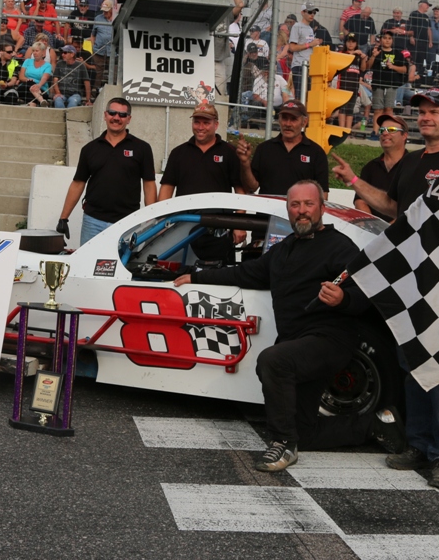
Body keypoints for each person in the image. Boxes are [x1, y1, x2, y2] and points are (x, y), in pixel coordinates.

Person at [172, 180, 405, 472]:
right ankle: (377, 425)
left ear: (321, 208)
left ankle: (282, 444)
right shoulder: (283, 250)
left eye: (308, 204)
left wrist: (343, 298)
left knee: (273, 360)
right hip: (298, 344)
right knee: (304, 432)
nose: (302, 211)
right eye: (295, 205)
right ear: (288, 210)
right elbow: (245, 273)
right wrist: (197, 277)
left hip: (331, 341)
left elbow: (367, 293)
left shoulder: (340, 247)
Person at [342, 86, 439, 490]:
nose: (426, 116)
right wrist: (355, 180)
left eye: (435, 110)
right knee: (412, 364)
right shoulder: (409, 164)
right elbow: (392, 208)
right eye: (422, 111)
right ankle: (420, 445)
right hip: (409, 277)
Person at [57, 98, 157, 245]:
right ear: (105, 115)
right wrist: (64, 218)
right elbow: (78, 183)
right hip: (93, 222)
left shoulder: (142, 148)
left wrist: (151, 218)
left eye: (122, 115)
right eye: (112, 113)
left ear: (129, 119)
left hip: (128, 222)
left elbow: (149, 185)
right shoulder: (89, 149)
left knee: (123, 266)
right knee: (89, 266)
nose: (116, 118)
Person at [158, 102, 245, 261]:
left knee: (219, 277)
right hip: (183, 228)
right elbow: (166, 190)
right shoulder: (178, 153)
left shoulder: (230, 152)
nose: (200, 127)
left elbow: (241, 192)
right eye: (197, 122)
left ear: (216, 124)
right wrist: (161, 224)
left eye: (206, 122)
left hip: (219, 229)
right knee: (179, 276)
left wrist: (239, 225)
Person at [235, 100, 329, 196]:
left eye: (293, 119)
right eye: (284, 118)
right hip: (267, 210)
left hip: (300, 211)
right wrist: (245, 163)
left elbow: (323, 194)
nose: (288, 124)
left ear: (304, 122)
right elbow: (251, 188)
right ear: (279, 120)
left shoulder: (316, 152)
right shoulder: (264, 149)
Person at [332, 112, 408, 222]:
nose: (385, 133)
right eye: (382, 130)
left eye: (391, 130)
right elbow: (360, 200)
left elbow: (412, 207)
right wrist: (373, 225)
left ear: (404, 135)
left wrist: (389, 231)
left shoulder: (414, 165)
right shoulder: (370, 167)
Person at [364, 29, 408, 121]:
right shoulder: (374, 51)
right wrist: (373, 56)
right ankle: (375, 133)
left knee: (389, 110)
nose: (387, 40)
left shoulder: (398, 53)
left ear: (392, 40)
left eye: (389, 38)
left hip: (391, 84)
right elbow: (367, 67)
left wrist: (393, 66)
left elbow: (404, 69)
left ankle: (387, 130)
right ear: (380, 40)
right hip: (377, 84)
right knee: (378, 110)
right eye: (385, 38)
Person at [289, 1, 322, 90]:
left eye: (314, 12)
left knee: (307, 96)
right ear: (302, 12)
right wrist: (310, 44)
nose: (312, 15)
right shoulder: (297, 26)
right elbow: (292, 47)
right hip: (299, 66)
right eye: (310, 12)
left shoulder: (310, 29)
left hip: (308, 66)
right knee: (300, 96)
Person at [89, 0, 115, 93]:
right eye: (103, 11)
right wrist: (93, 46)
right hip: (98, 50)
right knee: (97, 72)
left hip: (113, 51)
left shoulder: (117, 18)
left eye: (106, 11)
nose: (104, 13)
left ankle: (113, 90)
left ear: (112, 10)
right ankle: (95, 90)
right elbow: (93, 34)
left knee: (113, 71)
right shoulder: (98, 18)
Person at [17, 41, 52, 106]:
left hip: (41, 89)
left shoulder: (48, 65)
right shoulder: (27, 61)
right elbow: (21, 76)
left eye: (37, 51)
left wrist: (39, 85)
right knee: (30, 83)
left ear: (43, 52)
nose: (34, 53)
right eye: (33, 51)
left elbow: (45, 77)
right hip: (25, 86)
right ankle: (42, 101)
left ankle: (32, 104)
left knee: (33, 88)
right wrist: (27, 80)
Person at [407, 0, 433, 76]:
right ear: (422, 5)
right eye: (427, 5)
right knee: (413, 57)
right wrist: (411, 37)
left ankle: (419, 74)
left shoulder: (426, 17)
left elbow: (429, 29)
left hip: (424, 41)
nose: (428, 7)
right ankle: (411, 73)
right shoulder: (414, 14)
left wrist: (430, 41)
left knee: (421, 58)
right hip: (415, 40)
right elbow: (410, 26)